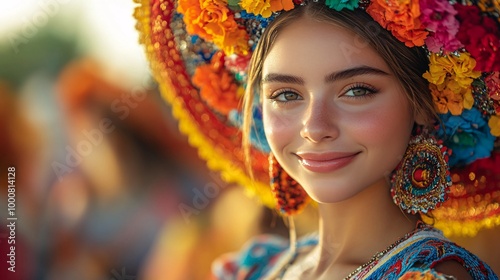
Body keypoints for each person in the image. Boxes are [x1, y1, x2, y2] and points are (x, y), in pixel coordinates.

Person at [134, 0, 500, 279]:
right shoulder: (255, 268)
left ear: (422, 102)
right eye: (286, 95)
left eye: (357, 90)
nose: (315, 126)